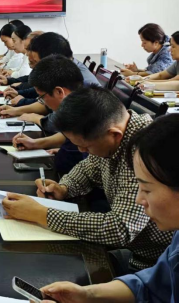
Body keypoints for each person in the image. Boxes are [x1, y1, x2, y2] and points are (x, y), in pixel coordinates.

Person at [1, 87, 174, 272]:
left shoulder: (145, 153)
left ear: (114, 134)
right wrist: (64, 188)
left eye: (86, 146)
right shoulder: (113, 135)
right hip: (138, 255)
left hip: (156, 264)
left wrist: (42, 214)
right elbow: (89, 168)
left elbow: (121, 228)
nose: (82, 151)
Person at [37, 115, 179, 303]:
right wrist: (87, 295)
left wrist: (42, 214)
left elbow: (121, 228)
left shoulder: (143, 149)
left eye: (147, 189)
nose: (139, 200)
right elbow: (150, 285)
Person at [0, 33, 100, 125]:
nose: (37, 68)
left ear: (52, 59)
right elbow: (47, 102)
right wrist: (16, 110)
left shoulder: (80, 82)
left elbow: (67, 125)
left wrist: (38, 119)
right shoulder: (63, 70)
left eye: (37, 62)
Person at [12, 55, 87, 174]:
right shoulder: (79, 105)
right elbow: (68, 135)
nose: (43, 103)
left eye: (41, 97)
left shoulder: (86, 117)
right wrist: (35, 143)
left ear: (59, 92)